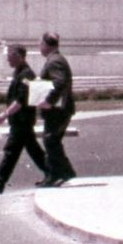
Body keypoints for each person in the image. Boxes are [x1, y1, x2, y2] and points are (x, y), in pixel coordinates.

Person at [0, 45, 46, 194]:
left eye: (10, 56)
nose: (8, 59)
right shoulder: (20, 73)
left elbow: (20, 100)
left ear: (19, 56)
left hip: (22, 121)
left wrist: (5, 114)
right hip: (20, 121)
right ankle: (54, 172)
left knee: (11, 151)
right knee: (33, 151)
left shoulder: (26, 74)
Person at [36, 32, 77, 187]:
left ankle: (57, 174)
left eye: (40, 44)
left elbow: (59, 82)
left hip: (58, 110)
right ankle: (63, 172)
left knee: (50, 140)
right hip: (59, 110)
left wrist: (48, 101)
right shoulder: (55, 60)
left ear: (47, 45)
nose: (39, 47)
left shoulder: (54, 61)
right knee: (52, 141)